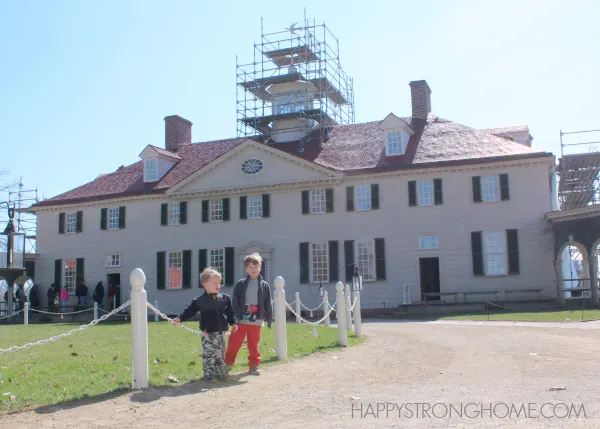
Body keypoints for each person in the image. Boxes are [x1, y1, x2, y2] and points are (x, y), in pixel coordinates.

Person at [172, 268, 238, 381]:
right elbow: (189, 311)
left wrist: (234, 322)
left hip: (221, 332)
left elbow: (230, 313)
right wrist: (179, 318)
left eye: (219, 282)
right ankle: (209, 376)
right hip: (208, 334)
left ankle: (221, 374)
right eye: (215, 283)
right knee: (209, 356)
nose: (218, 285)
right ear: (205, 284)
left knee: (220, 355)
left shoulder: (225, 298)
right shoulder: (199, 301)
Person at [225, 253, 273, 376]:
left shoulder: (264, 285)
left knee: (253, 345)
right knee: (234, 343)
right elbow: (234, 301)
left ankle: (254, 366)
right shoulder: (240, 284)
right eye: (250, 267)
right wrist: (235, 317)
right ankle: (228, 364)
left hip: (256, 321)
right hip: (241, 321)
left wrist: (269, 318)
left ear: (260, 267)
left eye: (256, 267)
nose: (253, 270)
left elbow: (268, 302)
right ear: (246, 268)